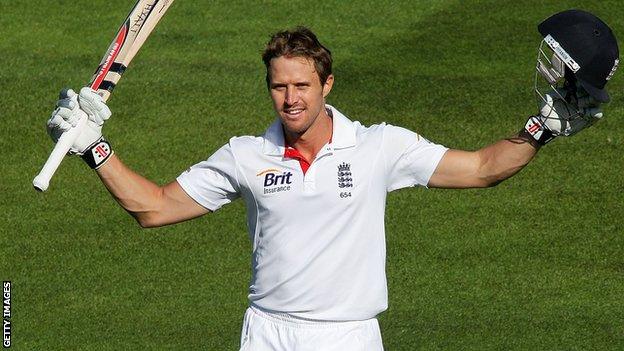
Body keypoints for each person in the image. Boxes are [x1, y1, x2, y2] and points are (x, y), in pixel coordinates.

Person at [46, 12, 616, 351]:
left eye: (302, 86)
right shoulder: (246, 156)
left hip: (346, 338)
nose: (291, 99)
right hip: (266, 335)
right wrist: (93, 149)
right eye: (278, 87)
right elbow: (154, 208)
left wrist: (538, 129)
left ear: (327, 85)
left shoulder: (379, 147)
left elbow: (483, 168)